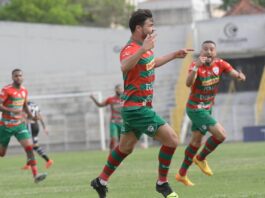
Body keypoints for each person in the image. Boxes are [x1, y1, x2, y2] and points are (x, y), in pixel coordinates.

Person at [90, 9, 193, 198]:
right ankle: (162, 183)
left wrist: (174, 54)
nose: (153, 27)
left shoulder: (145, 49)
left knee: (125, 148)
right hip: (137, 108)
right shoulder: (130, 49)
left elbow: (151, 63)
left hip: (136, 108)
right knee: (172, 140)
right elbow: (125, 65)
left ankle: (101, 180)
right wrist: (143, 49)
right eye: (150, 24)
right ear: (139, 28)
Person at [175, 40, 246, 186]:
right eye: (205, 49)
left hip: (207, 107)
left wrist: (240, 76)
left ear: (215, 52)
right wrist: (196, 68)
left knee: (195, 142)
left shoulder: (220, 64)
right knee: (221, 135)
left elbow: (233, 73)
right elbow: (188, 84)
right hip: (195, 108)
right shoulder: (195, 65)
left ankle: (181, 174)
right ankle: (200, 158)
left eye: (211, 49)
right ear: (201, 52)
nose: (208, 52)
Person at [0, 69, 47, 183]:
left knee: (29, 147)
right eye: (16, 76)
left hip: (19, 125)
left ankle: (36, 175)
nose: (18, 78)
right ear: (12, 77)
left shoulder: (24, 90)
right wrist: (12, 110)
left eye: (20, 76)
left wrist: (32, 116)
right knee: (2, 154)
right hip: (5, 126)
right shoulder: (6, 90)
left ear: (23, 77)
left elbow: (25, 105)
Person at [21, 101, 54, 170]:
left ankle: (48, 160)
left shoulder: (24, 105)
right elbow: (40, 116)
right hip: (36, 126)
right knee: (31, 145)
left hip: (30, 125)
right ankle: (28, 164)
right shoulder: (35, 105)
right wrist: (44, 127)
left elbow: (24, 116)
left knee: (31, 146)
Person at [90, 84, 123, 151]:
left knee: (121, 142)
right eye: (119, 89)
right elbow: (100, 105)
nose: (121, 90)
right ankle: (113, 157)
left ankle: (114, 154)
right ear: (115, 90)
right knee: (114, 139)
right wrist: (93, 98)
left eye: (121, 89)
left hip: (122, 123)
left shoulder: (125, 99)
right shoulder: (111, 99)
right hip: (114, 122)